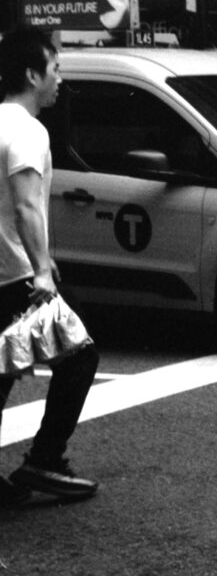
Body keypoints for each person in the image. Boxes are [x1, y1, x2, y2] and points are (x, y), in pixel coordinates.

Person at [0, 27, 99, 505]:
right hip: (16, 273)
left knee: (0, 371)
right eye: (55, 69)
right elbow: (25, 205)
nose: (60, 79)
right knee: (80, 357)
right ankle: (44, 460)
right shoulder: (25, 129)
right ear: (31, 74)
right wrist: (42, 269)